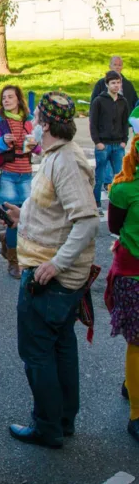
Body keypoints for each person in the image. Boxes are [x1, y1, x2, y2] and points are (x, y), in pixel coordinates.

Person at [0, 92, 99, 449]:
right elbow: (57, 212)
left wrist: (56, 264)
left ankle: (47, 427)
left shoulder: (66, 161)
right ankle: (62, 420)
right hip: (53, 274)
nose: (33, 125)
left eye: (37, 118)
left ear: (46, 124)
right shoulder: (58, 155)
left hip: (51, 279)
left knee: (37, 352)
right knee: (60, 347)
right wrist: (22, 216)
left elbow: (87, 221)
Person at [0, 85, 39, 279]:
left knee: (25, 219)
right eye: (4, 97)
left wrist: (35, 146)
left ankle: (7, 239)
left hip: (26, 174)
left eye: (10, 97)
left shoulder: (30, 121)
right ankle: (14, 262)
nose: (6, 100)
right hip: (6, 174)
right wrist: (1, 143)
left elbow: (39, 148)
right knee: (14, 220)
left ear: (19, 99)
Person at [104, 134, 139, 444]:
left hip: (130, 270)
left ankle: (132, 386)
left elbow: (115, 227)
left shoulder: (123, 189)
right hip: (133, 274)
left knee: (137, 343)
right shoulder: (125, 189)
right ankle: (136, 415)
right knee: (137, 343)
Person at [90, 70, 130, 213]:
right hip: (103, 144)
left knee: (120, 177)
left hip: (118, 145)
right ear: (107, 84)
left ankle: (118, 205)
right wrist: (97, 142)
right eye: (113, 83)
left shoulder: (123, 101)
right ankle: (96, 203)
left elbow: (125, 123)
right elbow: (93, 123)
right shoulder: (99, 101)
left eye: (118, 83)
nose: (116, 85)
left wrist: (124, 140)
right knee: (100, 177)